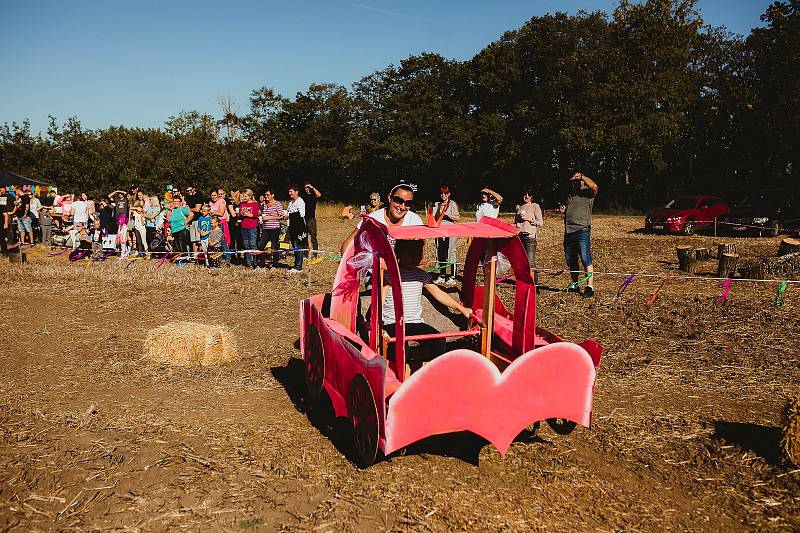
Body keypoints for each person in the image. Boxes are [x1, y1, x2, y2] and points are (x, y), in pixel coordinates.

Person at [381, 239, 473, 365]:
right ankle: (400, 377)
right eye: (411, 253)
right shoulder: (389, 274)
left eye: (419, 253)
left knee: (439, 341)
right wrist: (375, 322)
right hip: (393, 324)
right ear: (399, 253)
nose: (416, 257)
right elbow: (380, 298)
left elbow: (439, 294)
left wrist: (461, 308)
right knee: (401, 348)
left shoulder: (421, 275)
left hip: (415, 323)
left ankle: (433, 372)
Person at [341, 182, 424, 253]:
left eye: (408, 203)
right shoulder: (372, 219)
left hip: (404, 269)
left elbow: (419, 257)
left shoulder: (414, 220)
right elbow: (345, 248)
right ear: (389, 198)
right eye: (398, 200)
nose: (402, 207)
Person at [563, 171, 598, 297]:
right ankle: (575, 284)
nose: (576, 184)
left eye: (578, 182)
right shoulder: (571, 196)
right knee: (571, 260)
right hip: (568, 231)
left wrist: (582, 176)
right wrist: (564, 211)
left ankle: (589, 287)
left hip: (582, 230)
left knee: (585, 258)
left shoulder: (588, 194)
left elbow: (594, 187)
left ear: (583, 182)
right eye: (574, 182)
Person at [432, 186, 460, 285]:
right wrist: (439, 211)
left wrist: (447, 214)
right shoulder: (437, 204)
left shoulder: (452, 204)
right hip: (440, 231)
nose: (443, 195)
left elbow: (457, 218)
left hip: (451, 231)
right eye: (442, 193)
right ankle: (442, 275)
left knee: (451, 252)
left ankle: (452, 276)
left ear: (449, 194)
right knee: (440, 252)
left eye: (445, 193)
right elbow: (434, 218)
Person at [515, 188, 544, 285]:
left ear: (531, 196)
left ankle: (534, 284)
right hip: (519, 237)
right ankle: (523, 283)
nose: (527, 196)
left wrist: (530, 220)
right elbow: (516, 223)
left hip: (530, 237)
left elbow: (541, 223)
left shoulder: (535, 206)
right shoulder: (519, 207)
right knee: (521, 262)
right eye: (525, 194)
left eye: (529, 195)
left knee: (530, 261)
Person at [257, 188, 285, 268]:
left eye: (268, 195)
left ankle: (275, 265)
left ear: (272, 195)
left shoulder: (277, 204)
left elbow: (281, 216)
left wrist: (269, 218)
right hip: (265, 228)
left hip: (275, 228)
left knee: (274, 246)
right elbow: (263, 215)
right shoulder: (265, 204)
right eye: (265, 195)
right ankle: (262, 264)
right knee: (260, 245)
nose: (266, 196)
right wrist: (262, 219)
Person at [286, 184, 307, 273]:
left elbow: (302, 214)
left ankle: (299, 266)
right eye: (289, 191)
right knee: (295, 246)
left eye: (291, 191)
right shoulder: (290, 203)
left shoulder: (300, 201)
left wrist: (291, 215)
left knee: (299, 246)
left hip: (299, 227)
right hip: (292, 227)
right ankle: (296, 265)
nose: (289, 193)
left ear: (296, 192)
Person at [237, 189, 260, 268]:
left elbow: (255, 215)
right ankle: (248, 263)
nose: (244, 198)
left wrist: (246, 214)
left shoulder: (255, 204)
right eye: (243, 196)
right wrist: (241, 214)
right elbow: (240, 214)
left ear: (250, 196)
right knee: (246, 245)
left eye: (245, 196)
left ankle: (255, 263)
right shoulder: (242, 204)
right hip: (244, 227)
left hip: (252, 227)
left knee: (253, 244)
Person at [302, 181, 322, 255]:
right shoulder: (302, 196)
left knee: (313, 237)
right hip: (303, 219)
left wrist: (312, 187)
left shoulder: (313, 196)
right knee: (304, 237)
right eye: (305, 188)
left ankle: (315, 253)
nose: (307, 189)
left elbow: (319, 194)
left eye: (308, 187)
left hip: (311, 219)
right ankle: (305, 254)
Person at [184, 185, 204, 253]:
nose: (189, 192)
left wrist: (188, 209)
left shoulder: (199, 194)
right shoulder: (187, 197)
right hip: (191, 220)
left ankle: (201, 256)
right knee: (193, 240)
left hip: (198, 219)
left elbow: (197, 209)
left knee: (199, 240)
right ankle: (195, 256)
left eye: (190, 190)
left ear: (193, 189)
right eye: (187, 191)